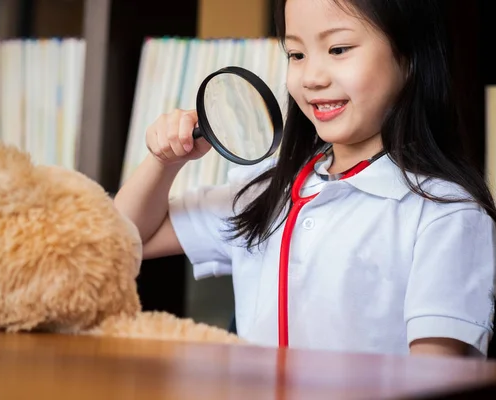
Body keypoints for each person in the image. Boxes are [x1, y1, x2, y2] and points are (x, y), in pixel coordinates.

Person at [114, 0, 496, 358]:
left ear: (409, 57)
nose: (311, 77)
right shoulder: (264, 193)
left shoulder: (446, 214)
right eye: (296, 54)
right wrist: (163, 162)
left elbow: (436, 378)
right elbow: (120, 240)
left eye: (339, 49)